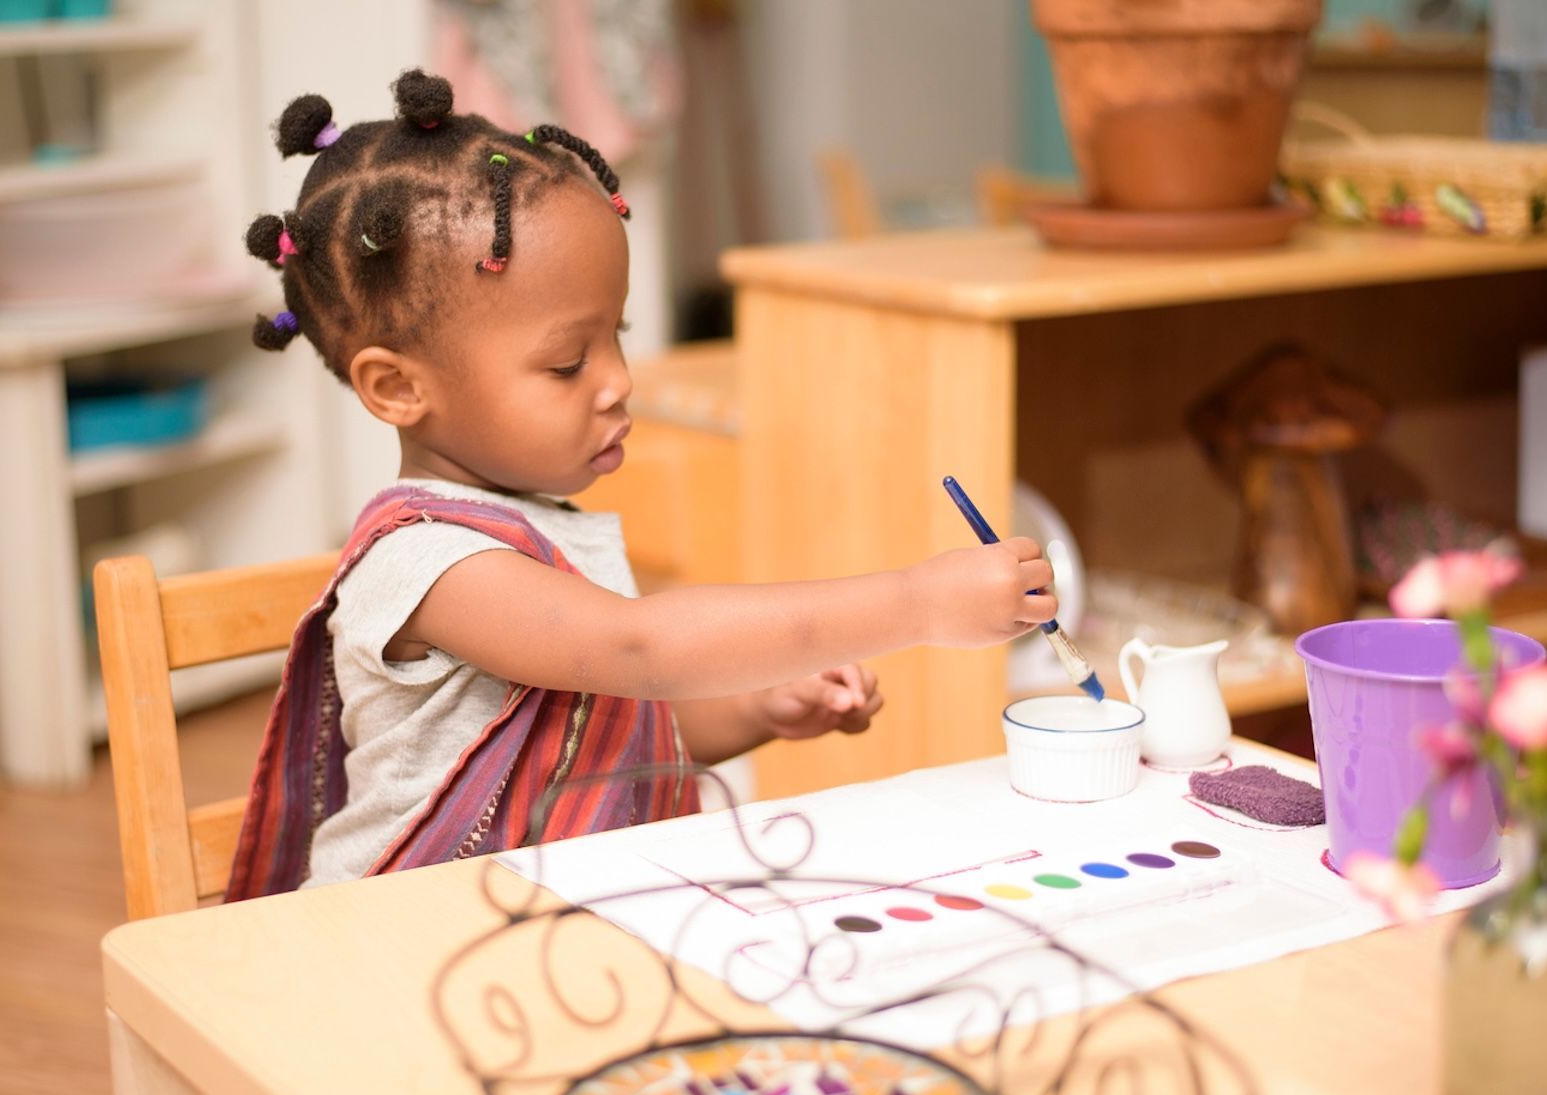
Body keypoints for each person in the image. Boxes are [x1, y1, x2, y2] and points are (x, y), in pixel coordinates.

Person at [228, 71, 1054, 898]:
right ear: (398, 388)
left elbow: (613, 731)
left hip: (544, 916)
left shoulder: (537, 525)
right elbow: (640, 652)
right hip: (404, 928)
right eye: (568, 362)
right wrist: (917, 602)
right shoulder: (430, 564)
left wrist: (757, 708)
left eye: (616, 336)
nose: (620, 381)